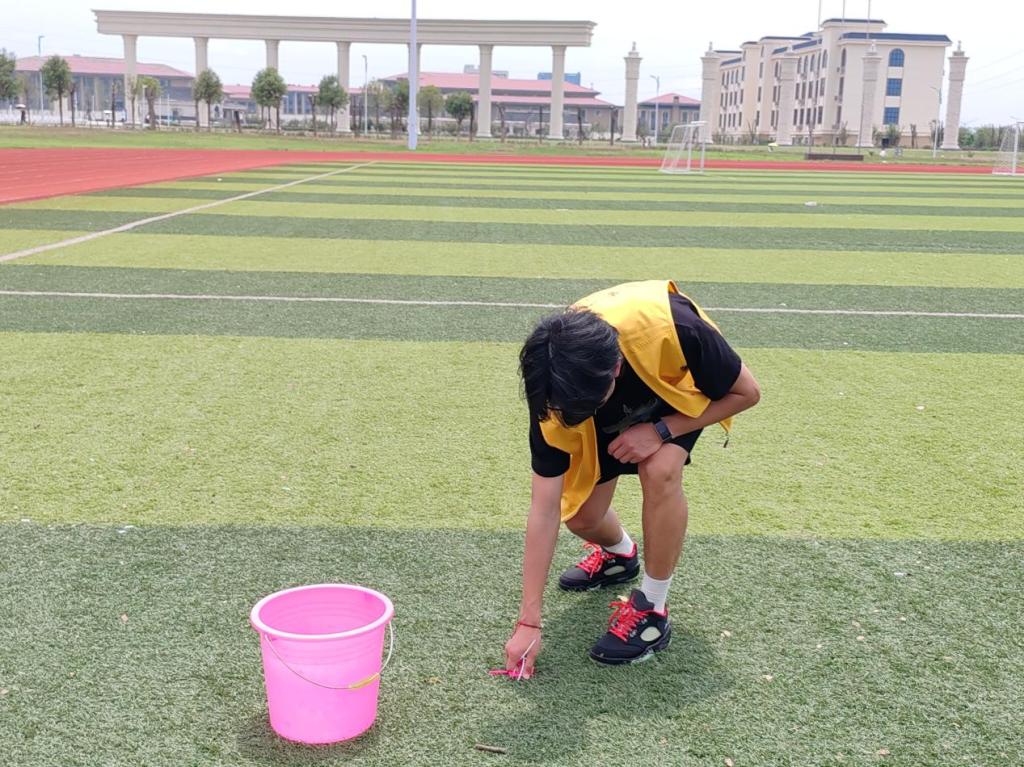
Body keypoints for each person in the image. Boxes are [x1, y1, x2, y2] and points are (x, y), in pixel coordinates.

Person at [504, 280, 761, 674]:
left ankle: (652, 609)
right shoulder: (554, 388)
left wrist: (661, 431)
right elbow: (545, 508)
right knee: (582, 518)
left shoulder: (677, 328)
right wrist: (528, 621)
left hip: (675, 392)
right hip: (600, 392)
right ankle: (620, 556)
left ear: (616, 369)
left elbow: (747, 393)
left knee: (659, 469)